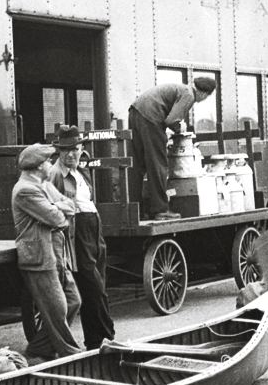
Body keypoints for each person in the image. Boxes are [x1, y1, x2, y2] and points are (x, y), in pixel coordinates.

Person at [11, 143, 82, 362]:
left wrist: (59, 206)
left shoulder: (42, 185)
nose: (51, 164)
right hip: (38, 257)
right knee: (57, 310)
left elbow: (70, 205)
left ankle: (38, 349)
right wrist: (60, 208)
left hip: (55, 253)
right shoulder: (25, 190)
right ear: (38, 166)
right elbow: (58, 218)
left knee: (73, 301)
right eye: (48, 161)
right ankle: (71, 354)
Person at [48, 125, 116, 350]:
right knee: (94, 287)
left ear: (81, 149)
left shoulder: (81, 170)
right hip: (77, 234)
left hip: (94, 229)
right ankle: (108, 336)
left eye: (75, 149)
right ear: (58, 151)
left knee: (98, 286)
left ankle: (94, 341)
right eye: (66, 150)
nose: (71, 154)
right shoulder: (56, 173)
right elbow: (50, 204)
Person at [128, 76, 217, 220]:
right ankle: (160, 210)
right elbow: (172, 120)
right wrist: (179, 128)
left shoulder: (180, 88)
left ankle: (135, 210)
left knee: (138, 165)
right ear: (204, 93)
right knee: (158, 164)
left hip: (135, 111)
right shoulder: (189, 94)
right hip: (151, 115)